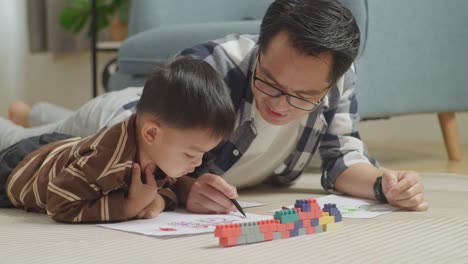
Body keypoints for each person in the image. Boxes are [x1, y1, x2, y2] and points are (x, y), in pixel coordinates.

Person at [6, 0, 428, 214]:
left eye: (303, 96)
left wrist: (384, 185)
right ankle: (25, 121)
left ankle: (33, 109)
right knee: (30, 142)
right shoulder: (214, 65)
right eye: (271, 84)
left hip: (135, 118)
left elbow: (340, 159)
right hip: (121, 118)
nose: (280, 106)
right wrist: (186, 189)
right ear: (259, 48)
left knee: (58, 117)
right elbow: (140, 146)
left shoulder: (340, 79)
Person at [0, 57, 236, 222]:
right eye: (190, 154)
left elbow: (168, 186)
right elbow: (59, 203)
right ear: (151, 133)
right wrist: (129, 206)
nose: (196, 164)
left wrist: (159, 201)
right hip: (21, 169)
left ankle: (27, 113)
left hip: (65, 149)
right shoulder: (105, 164)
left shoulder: (160, 150)